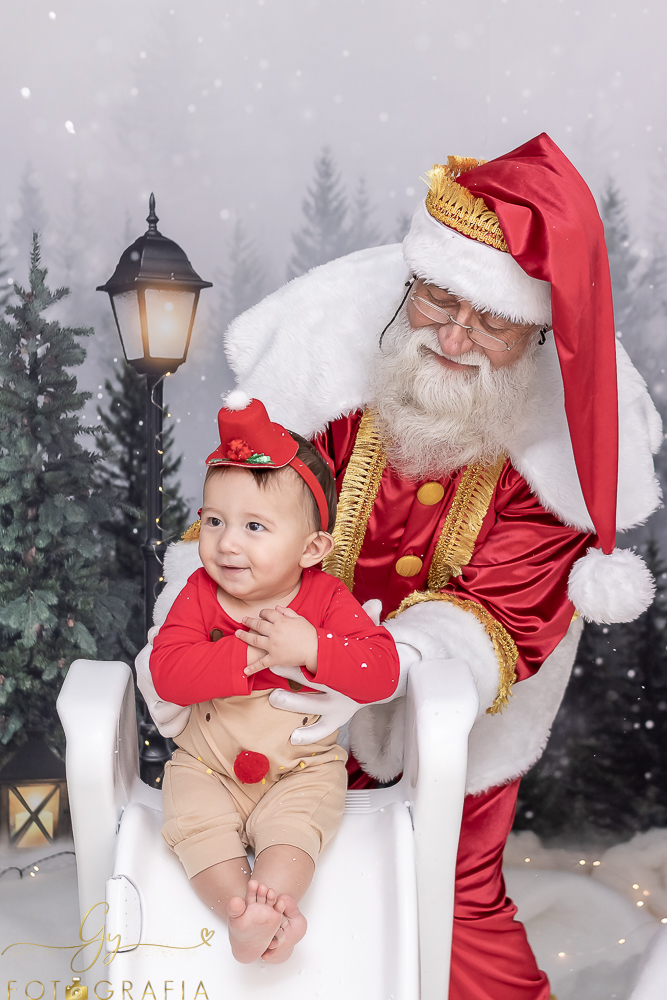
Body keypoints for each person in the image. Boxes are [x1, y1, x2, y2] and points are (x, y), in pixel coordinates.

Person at [138, 133, 661, 999]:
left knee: (449, 888)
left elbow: (504, 614)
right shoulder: (323, 372)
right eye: (434, 300)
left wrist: (369, 669)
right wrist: (217, 639)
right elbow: (238, 521)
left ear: (533, 335)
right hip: (262, 677)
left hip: (454, 709)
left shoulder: (562, 453)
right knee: (226, 856)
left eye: (489, 320)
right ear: (408, 285)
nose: (453, 335)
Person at [149, 395, 399, 966]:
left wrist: (313, 648)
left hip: (300, 768)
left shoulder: (328, 600)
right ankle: (242, 911)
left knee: (295, 829)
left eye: (254, 526)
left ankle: (278, 899)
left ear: (311, 548)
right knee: (193, 823)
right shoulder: (199, 595)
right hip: (207, 763)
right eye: (214, 521)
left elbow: (380, 670)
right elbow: (167, 671)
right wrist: (246, 655)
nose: (226, 542)